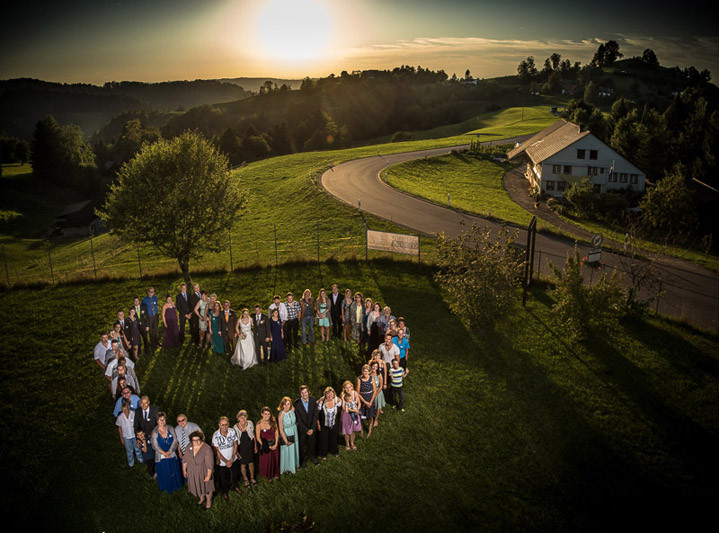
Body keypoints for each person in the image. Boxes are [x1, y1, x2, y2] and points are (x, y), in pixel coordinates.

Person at [151, 411, 183, 494]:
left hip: (171, 452)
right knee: (165, 471)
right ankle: (167, 486)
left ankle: (176, 484)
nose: (162, 422)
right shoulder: (154, 432)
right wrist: (164, 453)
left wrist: (170, 451)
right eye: (160, 420)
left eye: (164, 419)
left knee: (174, 468)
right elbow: (155, 446)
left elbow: (175, 440)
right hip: (161, 455)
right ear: (157, 421)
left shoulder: (170, 428)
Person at [212, 416, 242, 501]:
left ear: (228, 424)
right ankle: (224, 492)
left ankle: (235, 486)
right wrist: (226, 461)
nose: (224, 427)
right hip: (222, 462)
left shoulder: (232, 431)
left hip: (233, 459)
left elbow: (235, 444)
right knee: (223, 478)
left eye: (226, 424)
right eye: (222, 425)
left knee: (235, 474)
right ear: (219, 425)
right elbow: (217, 450)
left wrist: (232, 458)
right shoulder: (215, 435)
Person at [182, 430, 214, 509]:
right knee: (197, 485)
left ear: (201, 439)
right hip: (192, 471)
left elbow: (210, 464)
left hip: (203, 471)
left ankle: (209, 501)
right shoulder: (188, 446)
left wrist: (208, 475)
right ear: (191, 440)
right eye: (194, 440)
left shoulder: (207, 448)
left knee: (207, 488)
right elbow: (185, 460)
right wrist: (184, 470)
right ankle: (201, 498)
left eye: (198, 440)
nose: (196, 442)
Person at [294, 386, 319, 467]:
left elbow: (315, 415)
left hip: (312, 427)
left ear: (308, 392)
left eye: (305, 392)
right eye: (302, 392)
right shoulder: (297, 404)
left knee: (311, 443)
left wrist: (312, 428)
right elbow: (298, 419)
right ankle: (303, 460)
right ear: (300, 394)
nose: (304, 394)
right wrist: (306, 429)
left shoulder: (313, 400)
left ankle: (311, 456)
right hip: (302, 429)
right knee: (302, 445)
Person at [232, 410, 257, 488]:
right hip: (241, 447)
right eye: (241, 417)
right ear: (238, 418)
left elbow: (253, 435)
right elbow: (234, 441)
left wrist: (255, 446)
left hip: (250, 446)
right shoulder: (235, 427)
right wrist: (237, 452)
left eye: (245, 417)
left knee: (251, 463)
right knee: (243, 465)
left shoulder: (250, 423)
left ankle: (252, 478)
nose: (243, 419)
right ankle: (246, 480)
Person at [316, 386, 342, 459]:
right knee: (324, 439)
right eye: (328, 394)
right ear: (325, 394)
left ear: (334, 394)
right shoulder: (322, 400)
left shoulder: (336, 400)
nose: (330, 395)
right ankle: (323, 454)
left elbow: (342, 406)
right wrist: (318, 423)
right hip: (324, 424)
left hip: (334, 423)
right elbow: (317, 412)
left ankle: (334, 452)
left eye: (331, 393)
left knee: (334, 438)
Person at [116, 399, 143, 467]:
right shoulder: (120, 417)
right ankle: (131, 462)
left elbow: (138, 424)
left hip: (134, 435)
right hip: (126, 437)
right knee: (129, 450)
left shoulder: (133, 414)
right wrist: (121, 438)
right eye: (124, 409)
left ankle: (140, 458)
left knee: (137, 448)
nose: (125, 411)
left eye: (126, 409)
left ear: (129, 408)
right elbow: (119, 428)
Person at [256, 406, 279, 481]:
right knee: (267, 461)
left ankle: (275, 473)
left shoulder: (273, 421)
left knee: (276, 459)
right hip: (265, 445)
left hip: (274, 443)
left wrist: (275, 444)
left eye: (269, 414)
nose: (267, 416)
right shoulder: (259, 424)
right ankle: (268, 476)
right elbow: (258, 437)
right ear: (262, 414)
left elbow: (276, 433)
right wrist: (266, 446)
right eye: (265, 414)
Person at [277, 397, 299, 474]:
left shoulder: (292, 410)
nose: (286, 406)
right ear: (282, 405)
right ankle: (287, 468)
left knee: (294, 449)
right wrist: (286, 440)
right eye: (284, 404)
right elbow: (281, 429)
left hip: (294, 431)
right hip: (287, 433)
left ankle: (295, 466)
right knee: (287, 450)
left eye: (288, 404)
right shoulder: (281, 415)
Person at [356, 364, 378, 437]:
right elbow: (357, 392)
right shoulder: (359, 379)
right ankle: (361, 429)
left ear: (369, 372)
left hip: (370, 397)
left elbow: (374, 391)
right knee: (361, 416)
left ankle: (370, 430)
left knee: (370, 416)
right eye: (364, 371)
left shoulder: (371, 378)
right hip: (362, 398)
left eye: (367, 371)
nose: (365, 373)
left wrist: (371, 402)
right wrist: (365, 402)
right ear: (362, 371)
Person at [340, 380, 361, 450]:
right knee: (346, 430)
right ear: (344, 388)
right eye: (346, 387)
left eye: (349, 387)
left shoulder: (355, 393)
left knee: (353, 430)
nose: (348, 389)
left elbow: (359, 403)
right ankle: (347, 444)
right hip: (346, 415)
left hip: (355, 413)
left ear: (352, 387)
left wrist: (357, 410)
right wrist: (353, 410)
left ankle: (352, 443)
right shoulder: (343, 395)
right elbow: (343, 407)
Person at [370, 360, 386, 426]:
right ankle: (370, 418)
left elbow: (380, 386)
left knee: (377, 408)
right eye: (373, 366)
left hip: (377, 392)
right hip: (370, 392)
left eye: (376, 367)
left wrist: (375, 395)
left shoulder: (379, 375)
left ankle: (376, 420)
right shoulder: (368, 374)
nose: (374, 368)